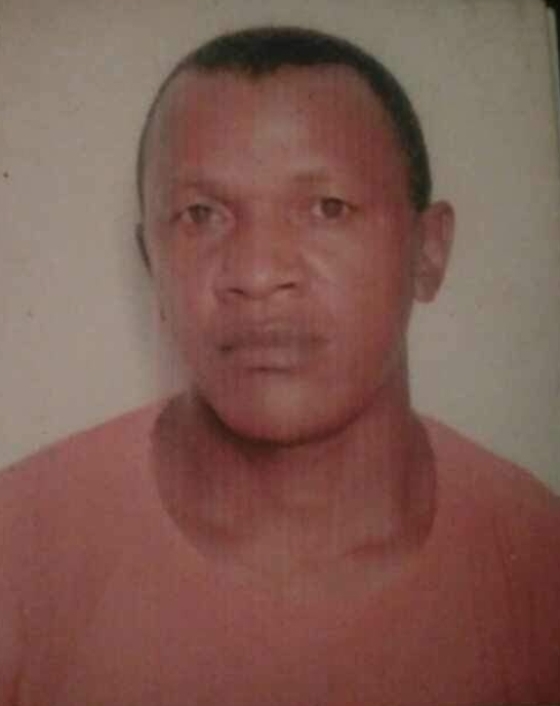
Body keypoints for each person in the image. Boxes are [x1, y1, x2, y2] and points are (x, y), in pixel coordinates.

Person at [0, 26, 558, 706]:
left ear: (428, 251)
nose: (258, 274)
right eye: (201, 214)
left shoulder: (539, 560)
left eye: (328, 209)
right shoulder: (17, 552)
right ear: (153, 266)